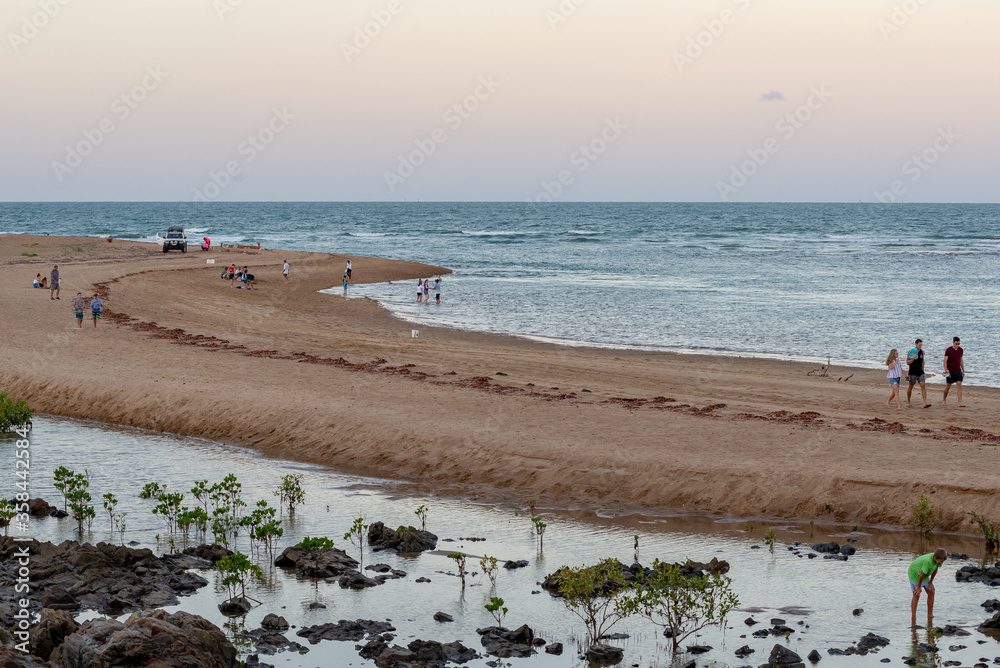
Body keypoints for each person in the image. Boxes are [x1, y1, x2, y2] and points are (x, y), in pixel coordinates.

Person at [909, 548, 947, 627]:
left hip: (925, 575)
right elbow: (922, 574)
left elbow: (935, 570)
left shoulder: (938, 560)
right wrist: (918, 587)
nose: (941, 563)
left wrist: (930, 582)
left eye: (942, 561)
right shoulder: (928, 561)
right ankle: (913, 617)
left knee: (931, 592)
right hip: (915, 574)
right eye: (941, 561)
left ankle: (930, 615)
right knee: (916, 594)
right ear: (934, 558)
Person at [907, 339, 930, 408]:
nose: (920, 346)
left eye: (921, 345)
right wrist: (913, 358)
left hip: (920, 372)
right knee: (911, 387)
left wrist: (923, 370)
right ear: (916, 344)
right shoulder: (910, 352)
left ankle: (925, 403)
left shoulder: (922, 352)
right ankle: (909, 401)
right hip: (912, 372)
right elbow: (907, 363)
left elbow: (922, 361)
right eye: (919, 345)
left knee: (923, 386)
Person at [943, 337, 965, 407]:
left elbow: (961, 360)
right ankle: (944, 399)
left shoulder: (961, 350)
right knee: (948, 386)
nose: (957, 345)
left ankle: (960, 402)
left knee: (959, 385)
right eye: (956, 343)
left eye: (959, 344)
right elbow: (945, 360)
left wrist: (963, 370)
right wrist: (946, 369)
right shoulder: (948, 350)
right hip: (950, 371)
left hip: (958, 370)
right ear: (953, 342)